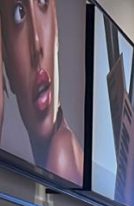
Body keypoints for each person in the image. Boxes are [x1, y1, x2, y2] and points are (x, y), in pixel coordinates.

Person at [0, 0, 83, 183]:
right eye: (19, 14)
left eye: (43, 3)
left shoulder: (61, 157)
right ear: (4, 53)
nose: (36, 46)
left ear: (56, 28)